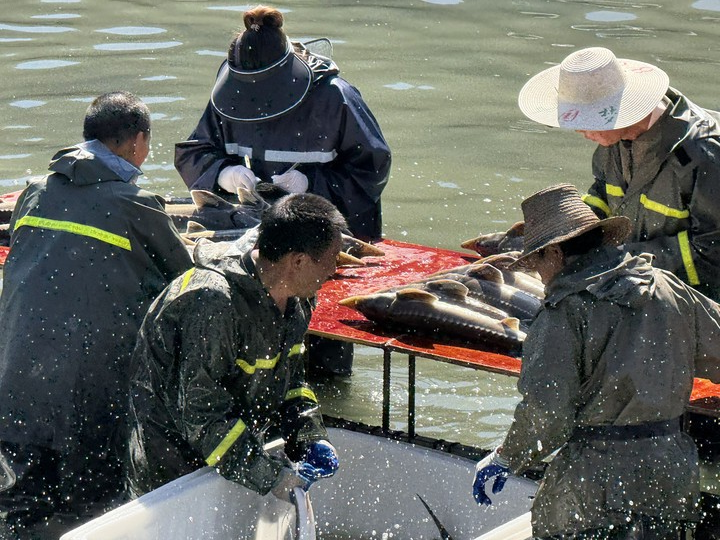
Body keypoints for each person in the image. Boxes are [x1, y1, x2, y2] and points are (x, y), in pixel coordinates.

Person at [472, 184, 720, 539]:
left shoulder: (563, 313)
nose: (539, 274)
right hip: (672, 474)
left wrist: (506, 457)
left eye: (537, 260)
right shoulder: (668, 287)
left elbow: (548, 416)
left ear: (555, 252)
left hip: (597, 485)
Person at [0, 91, 192, 538]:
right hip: (89, 392)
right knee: (99, 507)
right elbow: (187, 284)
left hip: (17, 380)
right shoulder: (135, 202)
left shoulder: (34, 193)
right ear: (137, 141)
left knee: (21, 509)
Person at [175, 5, 392, 377]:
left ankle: (327, 391)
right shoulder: (228, 92)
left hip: (325, 232)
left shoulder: (335, 97)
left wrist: (311, 183)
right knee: (260, 344)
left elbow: (371, 169)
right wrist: (223, 173)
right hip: (266, 232)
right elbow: (196, 150)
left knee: (325, 350)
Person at [126, 192, 344, 502]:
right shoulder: (212, 301)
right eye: (332, 258)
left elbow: (292, 381)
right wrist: (269, 477)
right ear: (298, 260)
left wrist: (309, 436)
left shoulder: (299, 298)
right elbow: (201, 416)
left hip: (231, 460)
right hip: (170, 472)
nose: (334, 269)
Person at [515, 46, 720, 301]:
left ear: (622, 111)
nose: (578, 131)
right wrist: (569, 241)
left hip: (698, 300)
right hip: (635, 280)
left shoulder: (704, 153)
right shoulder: (611, 139)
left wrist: (614, 261)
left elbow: (712, 251)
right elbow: (602, 193)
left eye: (586, 121)